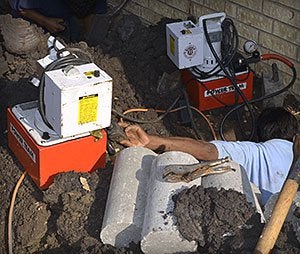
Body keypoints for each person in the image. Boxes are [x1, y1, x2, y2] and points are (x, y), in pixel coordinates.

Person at [120, 107, 299, 205]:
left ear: (260, 135)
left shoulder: (255, 152)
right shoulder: (292, 153)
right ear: (294, 135)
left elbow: (207, 151)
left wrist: (149, 141)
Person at [8, 0, 107, 41]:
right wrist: (44, 21)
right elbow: (19, 6)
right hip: (35, 15)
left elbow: (94, 11)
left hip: (69, 16)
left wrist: (87, 39)